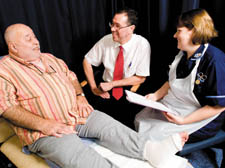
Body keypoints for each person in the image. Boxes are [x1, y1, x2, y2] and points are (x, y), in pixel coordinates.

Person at [0, 23, 191, 168]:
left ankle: (151, 151)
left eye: (34, 36)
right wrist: (45, 125)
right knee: (81, 157)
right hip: (45, 130)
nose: (36, 41)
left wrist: (80, 96)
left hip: (77, 114)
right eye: (28, 38)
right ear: (13, 47)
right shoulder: (4, 70)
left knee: (109, 127)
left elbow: (72, 76)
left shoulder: (49, 58)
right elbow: (6, 108)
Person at [135, 8, 225, 143]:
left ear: (194, 31)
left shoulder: (214, 60)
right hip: (177, 105)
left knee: (156, 133)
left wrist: (183, 121)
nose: (174, 36)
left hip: (201, 116)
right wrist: (155, 96)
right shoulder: (182, 53)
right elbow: (172, 82)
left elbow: (218, 106)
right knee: (141, 119)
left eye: (179, 31)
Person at [83, 8, 151, 128]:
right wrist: (93, 87)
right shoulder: (106, 40)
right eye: (112, 24)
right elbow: (87, 60)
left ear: (131, 28)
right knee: (90, 120)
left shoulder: (142, 44)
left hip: (128, 89)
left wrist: (113, 84)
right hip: (105, 87)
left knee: (121, 124)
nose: (112, 29)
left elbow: (141, 78)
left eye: (118, 26)